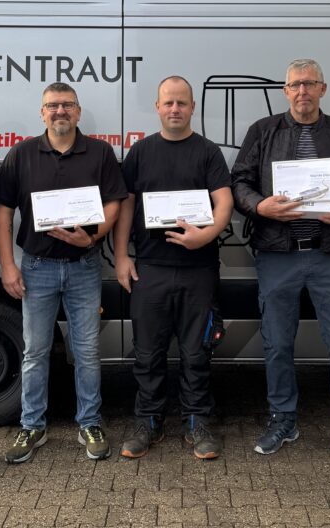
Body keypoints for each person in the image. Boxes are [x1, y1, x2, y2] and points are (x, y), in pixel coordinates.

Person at [231, 59, 330, 471]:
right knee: (277, 343)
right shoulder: (263, 132)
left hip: (329, 255)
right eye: (295, 85)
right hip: (276, 255)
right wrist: (259, 206)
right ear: (285, 91)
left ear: (322, 89)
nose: (302, 91)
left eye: (310, 83)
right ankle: (283, 419)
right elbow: (239, 182)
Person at [0, 82, 126, 463]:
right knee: (35, 352)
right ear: (42, 113)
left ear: (78, 112)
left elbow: (115, 204)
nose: (60, 111)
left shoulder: (100, 152)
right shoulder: (21, 154)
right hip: (37, 267)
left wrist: (94, 236)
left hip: (84, 266)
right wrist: (7, 265)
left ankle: (90, 423)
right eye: (52, 105)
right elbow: (3, 214)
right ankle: (32, 425)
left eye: (67, 105)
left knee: (87, 352)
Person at [114, 76, 233, 460]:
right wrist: (121, 255)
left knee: (197, 352)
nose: (175, 109)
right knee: (147, 353)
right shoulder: (141, 152)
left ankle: (197, 422)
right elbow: (126, 205)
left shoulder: (208, 152)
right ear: (158, 107)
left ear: (193, 107)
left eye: (182, 102)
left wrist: (207, 235)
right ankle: (148, 421)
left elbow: (224, 201)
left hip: (199, 268)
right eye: (168, 103)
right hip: (150, 268)